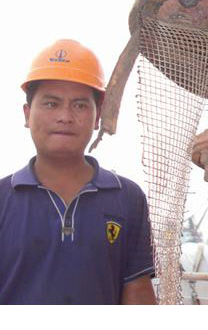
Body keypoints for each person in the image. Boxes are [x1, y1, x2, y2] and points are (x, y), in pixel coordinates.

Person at [0, 39, 156, 304]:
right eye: (51, 104)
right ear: (27, 114)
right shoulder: (3, 199)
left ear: (97, 117)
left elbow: (138, 292)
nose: (65, 116)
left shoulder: (128, 198)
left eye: (80, 105)